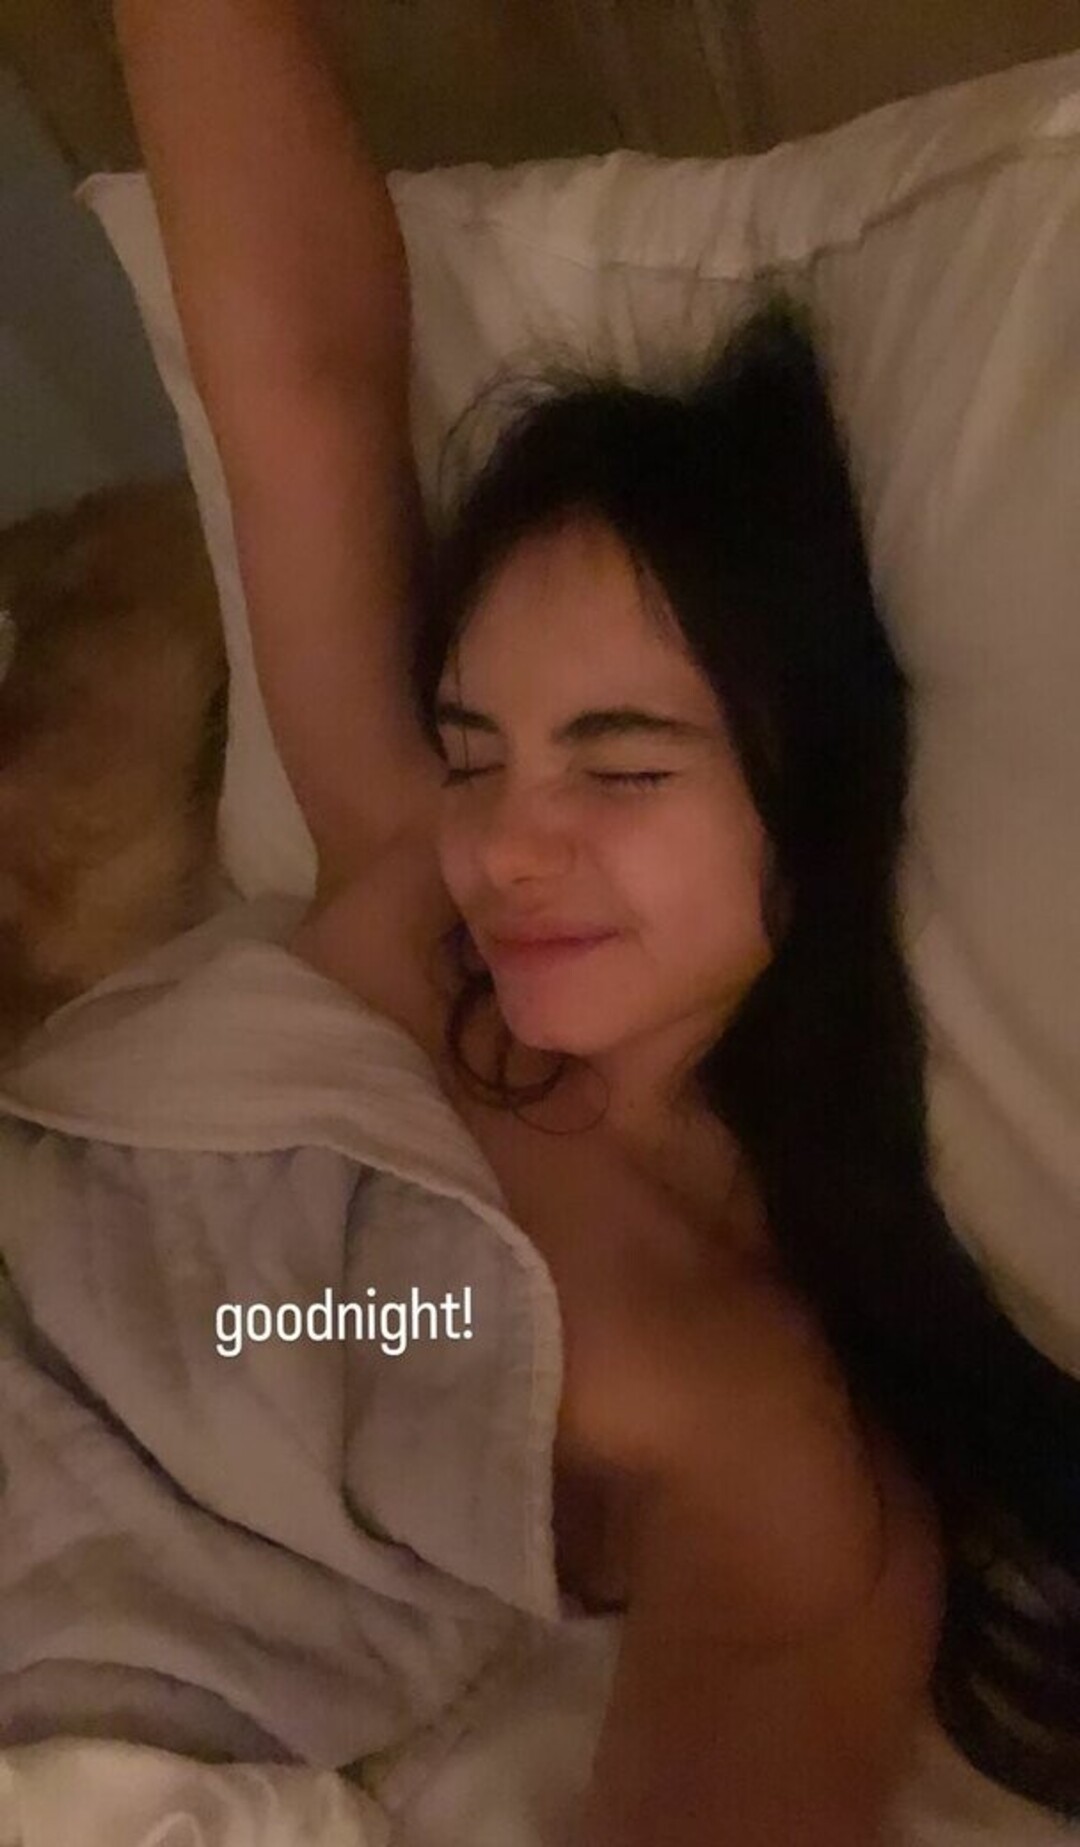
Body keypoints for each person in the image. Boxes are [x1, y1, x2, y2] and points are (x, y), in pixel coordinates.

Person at [114, 2, 1080, 1839]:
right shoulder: (413, 908)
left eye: (622, 765)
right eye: (474, 751)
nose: (508, 844)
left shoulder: (760, 1438)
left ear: (805, 790)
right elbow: (298, 376)